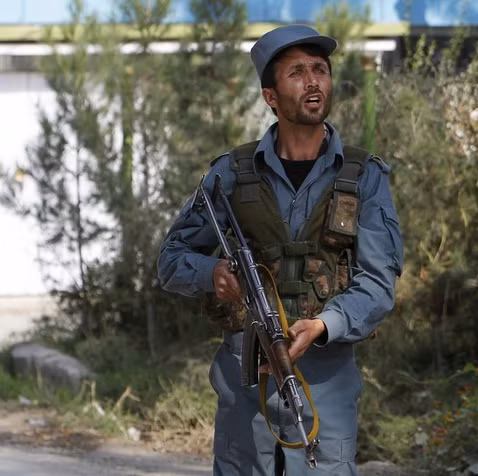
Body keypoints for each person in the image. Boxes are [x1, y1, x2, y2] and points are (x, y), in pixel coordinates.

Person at [157, 24, 403, 476]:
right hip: (246, 380)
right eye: (297, 73)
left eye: (320, 70)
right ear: (270, 96)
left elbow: (378, 282)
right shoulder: (231, 173)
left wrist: (324, 325)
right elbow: (170, 259)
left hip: (326, 379)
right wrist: (213, 274)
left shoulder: (363, 176)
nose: (313, 81)